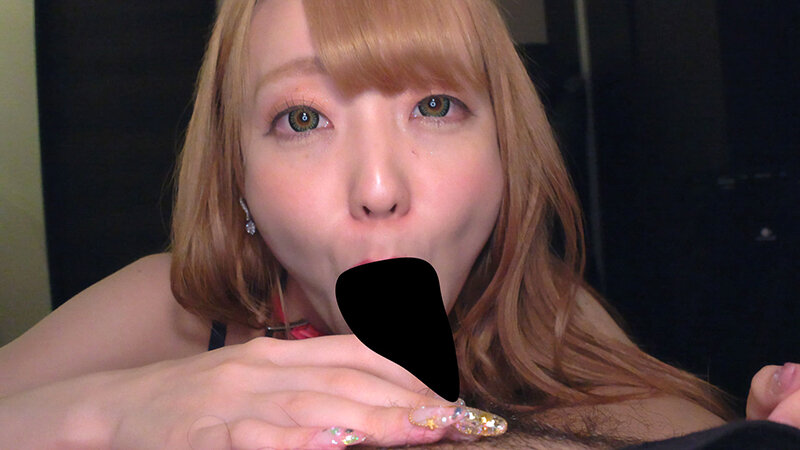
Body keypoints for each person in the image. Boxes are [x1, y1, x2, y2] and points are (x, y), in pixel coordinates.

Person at [1, 0, 797, 448]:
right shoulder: (172, 310)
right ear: (238, 177)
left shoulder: (547, 312)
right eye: (303, 118)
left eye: (436, 105)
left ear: (505, 158)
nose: (378, 188)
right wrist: (103, 418)